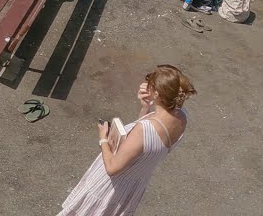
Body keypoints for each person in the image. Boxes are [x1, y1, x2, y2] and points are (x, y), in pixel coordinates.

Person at [57, 65, 194, 216]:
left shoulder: (144, 129)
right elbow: (146, 144)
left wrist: (103, 138)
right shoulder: (182, 117)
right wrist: (145, 109)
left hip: (111, 188)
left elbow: (112, 168)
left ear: (156, 93)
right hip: (131, 189)